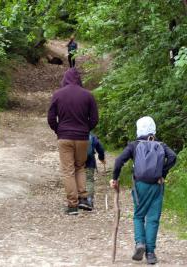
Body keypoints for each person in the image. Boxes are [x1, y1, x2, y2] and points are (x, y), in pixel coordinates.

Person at [110, 116, 177, 265]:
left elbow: (118, 161)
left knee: (139, 216)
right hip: (157, 185)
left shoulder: (134, 145)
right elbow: (173, 156)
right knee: (153, 218)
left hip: (140, 186)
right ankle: (151, 253)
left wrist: (114, 178)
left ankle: (140, 242)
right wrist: (162, 174)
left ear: (139, 129)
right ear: (153, 129)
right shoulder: (161, 145)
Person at [47, 68, 99, 215]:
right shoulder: (88, 95)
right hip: (82, 138)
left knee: (68, 170)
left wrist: (59, 130)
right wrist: (85, 130)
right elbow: (94, 119)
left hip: (64, 137)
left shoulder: (58, 94)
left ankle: (72, 205)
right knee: (80, 167)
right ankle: (83, 198)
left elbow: (51, 118)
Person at [85, 133, 105, 209]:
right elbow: (100, 148)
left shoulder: (76, 134)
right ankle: (89, 200)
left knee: (77, 178)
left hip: (78, 162)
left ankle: (78, 199)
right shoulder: (92, 136)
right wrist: (101, 158)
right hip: (90, 162)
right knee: (89, 180)